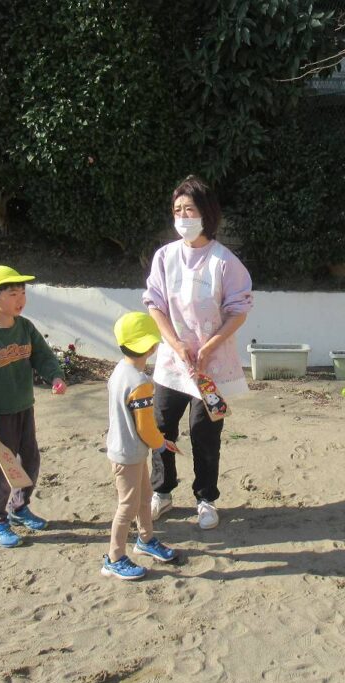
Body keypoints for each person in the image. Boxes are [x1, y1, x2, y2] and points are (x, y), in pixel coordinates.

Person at [142, 176, 253, 530]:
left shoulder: (224, 261)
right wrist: (175, 344)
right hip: (172, 362)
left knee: (204, 432)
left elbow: (238, 311)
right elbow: (155, 305)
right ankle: (162, 492)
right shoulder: (165, 257)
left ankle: (206, 498)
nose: (183, 216)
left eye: (189, 209)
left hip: (211, 365)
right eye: (177, 210)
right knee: (161, 427)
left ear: (206, 213)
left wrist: (209, 346)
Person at [0, 266, 67, 548]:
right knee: (4, 469)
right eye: (12, 294)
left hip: (25, 408)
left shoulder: (25, 327)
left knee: (31, 460)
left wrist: (55, 376)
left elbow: (43, 356)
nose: (20, 299)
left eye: (23, 293)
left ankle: (19, 507)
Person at [101, 312, 180, 581]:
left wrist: (157, 441)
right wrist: (161, 444)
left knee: (145, 496)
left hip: (126, 450)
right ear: (151, 347)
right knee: (127, 506)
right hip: (129, 454)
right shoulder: (141, 383)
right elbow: (145, 427)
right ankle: (114, 558)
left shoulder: (120, 370)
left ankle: (145, 539)